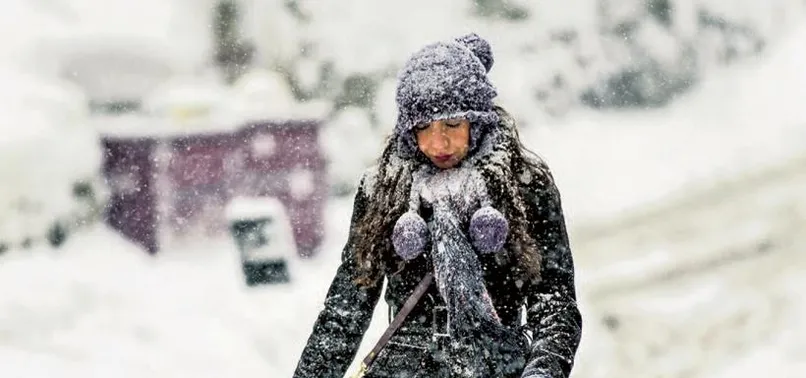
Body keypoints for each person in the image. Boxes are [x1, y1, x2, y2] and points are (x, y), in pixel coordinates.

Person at [293, 33, 582, 378]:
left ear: (478, 120)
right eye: (423, 127)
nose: (437, 142)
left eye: (453, 124)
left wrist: (543, 372)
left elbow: (555, 301)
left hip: (497, 366)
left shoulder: (524, 184)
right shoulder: (383, 190)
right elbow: (345, 310)